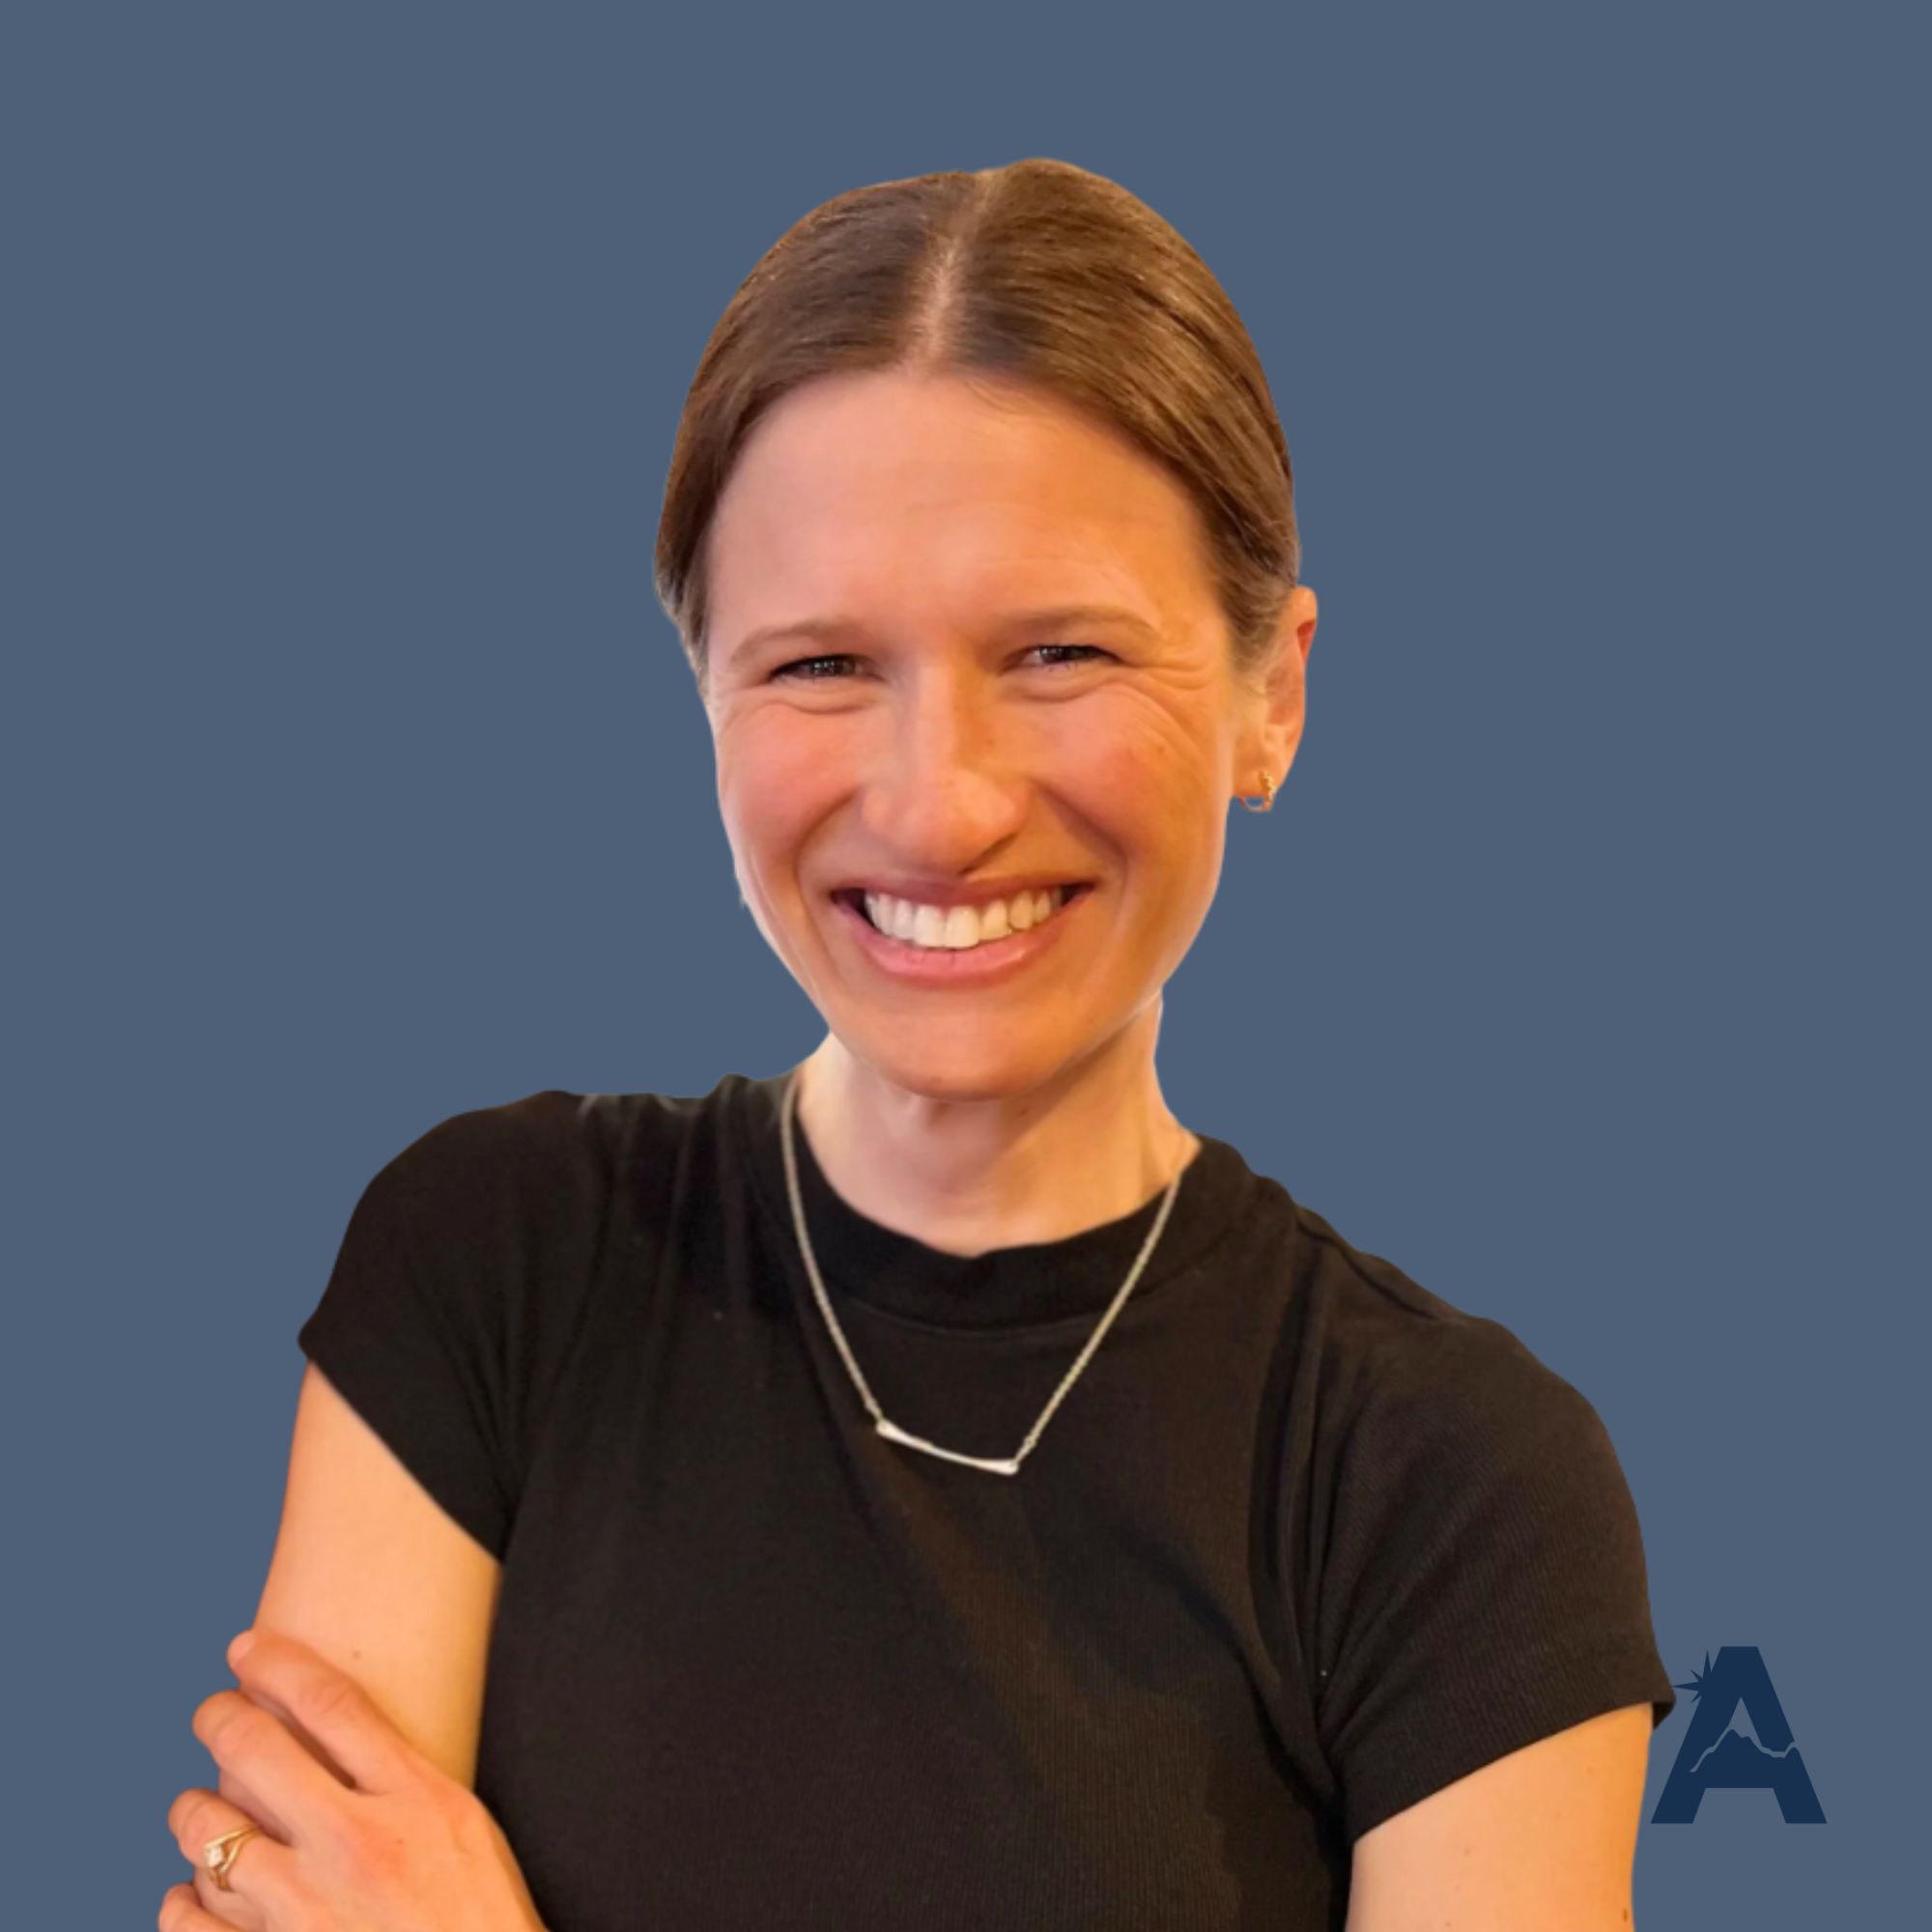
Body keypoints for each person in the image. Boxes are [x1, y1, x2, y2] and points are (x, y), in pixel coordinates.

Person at [163, 157, 1675, 1931]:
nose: (938, 806)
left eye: (1059, 652)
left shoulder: (1450, 1483)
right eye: (820, 666)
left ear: (1271, 692)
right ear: (705, 691)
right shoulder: (491, 1265)